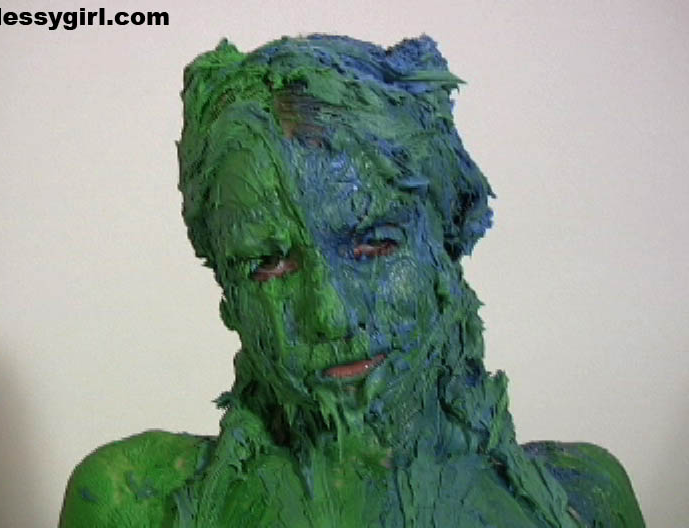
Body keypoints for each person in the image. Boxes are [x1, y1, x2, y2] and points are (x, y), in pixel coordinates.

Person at [59, 35, 644, 527]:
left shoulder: (583, 501)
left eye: (374, 246)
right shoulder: (133, 503)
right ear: (229, 298)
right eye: (269, 265)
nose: (330, 315)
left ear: (447, 245)